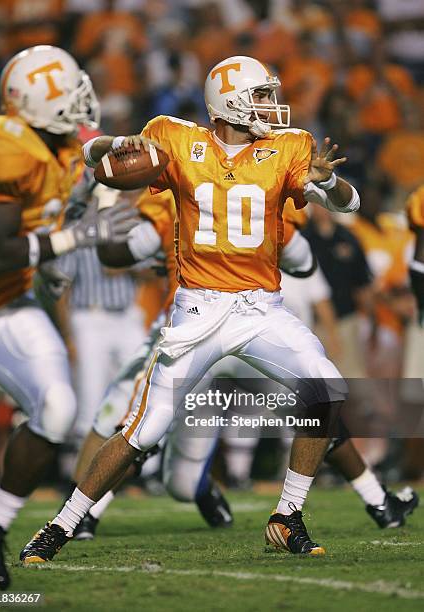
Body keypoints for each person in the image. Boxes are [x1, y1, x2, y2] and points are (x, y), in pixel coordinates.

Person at [21, 54, 361, 563]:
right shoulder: (174, 138)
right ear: (231, 103)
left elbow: (348, 205)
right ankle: (60, 525)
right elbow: (97, 161)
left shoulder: (290, 147)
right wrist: (111, 145)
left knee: (326, 387)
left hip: (260, 308)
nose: (271, 106)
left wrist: (330, 183)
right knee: (144, 429)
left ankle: (288, 516)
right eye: (261, 96)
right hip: (197, 311)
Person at [0, 44, 135, 590]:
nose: (80, 100)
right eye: (68, 91)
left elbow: (76, 182)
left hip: (4, 303)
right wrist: (80, 236)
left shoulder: (63, 148)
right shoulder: (2, 144)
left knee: (57, 408)